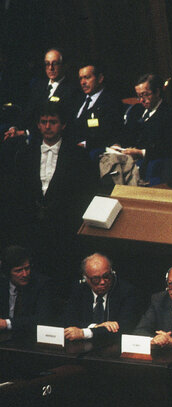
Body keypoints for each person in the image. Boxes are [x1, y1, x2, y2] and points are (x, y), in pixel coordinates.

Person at [12, 102, 93, 286]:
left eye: (53, 122)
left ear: (63, 125)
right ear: (38, 125)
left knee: (61, 279)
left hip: (64, 228)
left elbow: (85, 193)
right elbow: (19, 193)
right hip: (32, 227)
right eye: (43, 122)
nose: (47, 126)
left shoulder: (78, 156)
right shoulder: (25, 154)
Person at [108, 73, 172, 183]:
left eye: (145, 95)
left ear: (157, 92)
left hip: (151, 158)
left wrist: (140, 152)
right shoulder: (137, 110)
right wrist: (117, 144)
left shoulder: (170, 114)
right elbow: (125, 133)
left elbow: (169, 147)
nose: (142, 100)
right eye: (139, 96)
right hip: (129, 155)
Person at [3, 48, 79, 141]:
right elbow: (28, 112)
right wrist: (15, 128)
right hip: (29, 136)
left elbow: (62, 123)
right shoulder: (38, 86)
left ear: (63, 65)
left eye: (55, 63)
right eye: (47, 64)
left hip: (53, 138)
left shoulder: (71, 90)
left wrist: (26, 132)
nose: (51, 68)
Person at [62, 253, 139, 342]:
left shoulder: (127, 292)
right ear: (86, 278)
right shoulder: (79, 289)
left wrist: (85, 333)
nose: (102, 282)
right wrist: (96, 326)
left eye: (106, 276)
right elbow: (67, 321)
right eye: (96, 279)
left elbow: (125, 328)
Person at [0, 245, 54, 339]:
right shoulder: (2, 283)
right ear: (7, 272)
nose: (25, 274)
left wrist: (7, 323)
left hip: (30, 338)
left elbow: (43, 319)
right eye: (18, 271)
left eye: (27, 268)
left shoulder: (42, 284)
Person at [70, 61, 123, 151]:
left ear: (100, 78)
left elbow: (110, 133)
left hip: (94, 150)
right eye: (80, 79)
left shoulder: (111, 101)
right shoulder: (77, 100)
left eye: (87, 77)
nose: (83, 82)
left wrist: (85, 144)